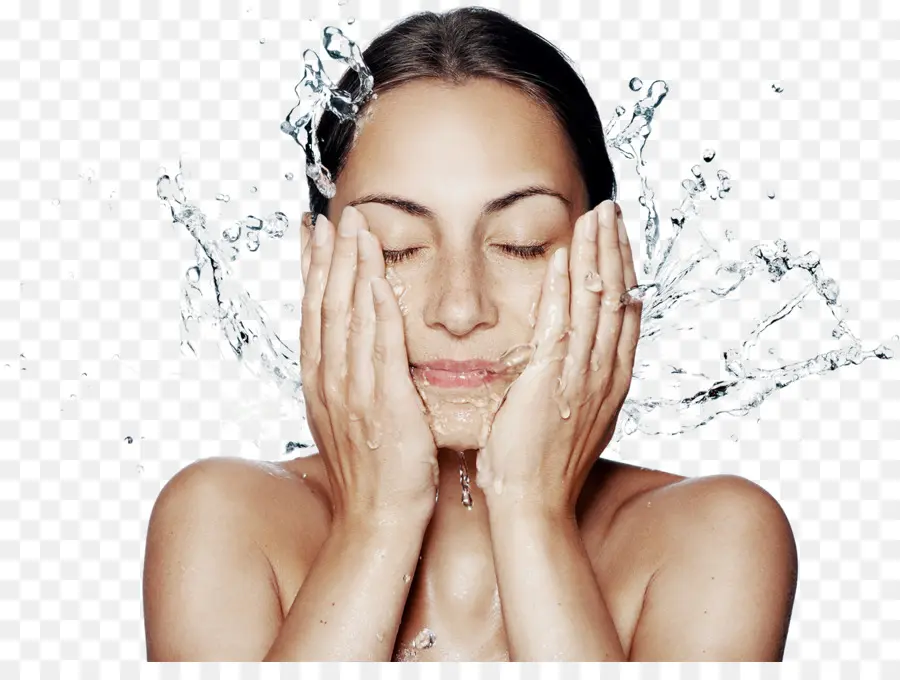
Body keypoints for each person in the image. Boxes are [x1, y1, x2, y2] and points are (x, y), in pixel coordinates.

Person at [142, 6, 798, 661]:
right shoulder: (224, 520)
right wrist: (378, 522)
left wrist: (532, 510)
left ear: (606, 259)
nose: (460, 309)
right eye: (395, 248)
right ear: (318, 265)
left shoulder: (713, 538)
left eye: (521, 244)